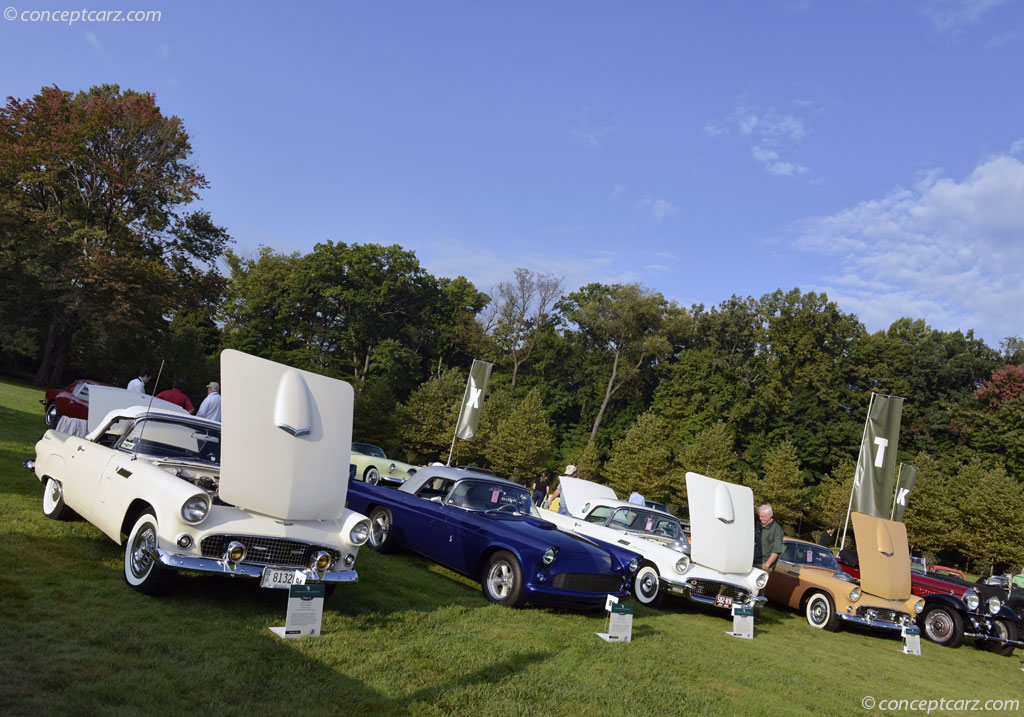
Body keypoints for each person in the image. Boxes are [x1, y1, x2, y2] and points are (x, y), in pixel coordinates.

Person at [753, 504, 784, 571]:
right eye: (760, 516)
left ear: (770, 515)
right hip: (753, 562)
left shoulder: (777, 529)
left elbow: (776, 550)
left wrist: (767, 565)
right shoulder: (759, 525)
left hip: (763, 565)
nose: (760, 518)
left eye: (763, 516)